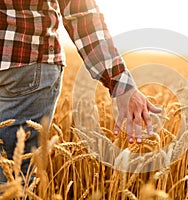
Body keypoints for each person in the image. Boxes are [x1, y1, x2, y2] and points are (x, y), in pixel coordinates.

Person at [0, 0, 161, 183]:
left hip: (24, 69)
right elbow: (80, 12)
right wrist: (120, 82)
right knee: (12, 177)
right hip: (28, 63)